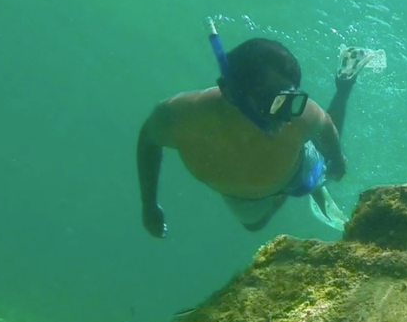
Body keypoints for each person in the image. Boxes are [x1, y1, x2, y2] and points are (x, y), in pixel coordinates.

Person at [137, 27, 372, 237]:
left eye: (292, 101)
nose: (286, 116)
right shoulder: (179, 116)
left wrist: (336, 158)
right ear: (228, 92)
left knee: (327, 168)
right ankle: (287, 195)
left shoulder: (302, 115)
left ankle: (344, 87)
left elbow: (325, 126)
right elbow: (149, 140)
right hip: (249, 198)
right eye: (273, 101)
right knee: (254, 225)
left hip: (297, 170)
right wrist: (149, 204)